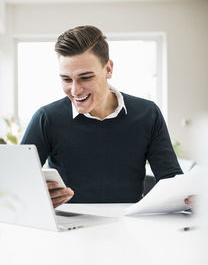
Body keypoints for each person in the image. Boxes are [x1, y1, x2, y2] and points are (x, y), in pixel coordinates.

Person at [20, 25, 185, 208]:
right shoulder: (46, 118)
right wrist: (36, 195)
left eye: (85, 77)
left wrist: (189, 196)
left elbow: (171, 181)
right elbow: (16, 185)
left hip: (130, 225)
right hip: (68, 230)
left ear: (108, 69)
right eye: (67, 79)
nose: (75, 90)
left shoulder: (147, 113)